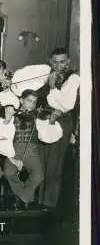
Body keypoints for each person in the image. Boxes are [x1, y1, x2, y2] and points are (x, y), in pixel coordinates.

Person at [0, 89, 63, 210]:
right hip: (12, 150)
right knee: (8, 172)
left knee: (38, 176)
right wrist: (7, 119)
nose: (32, 105)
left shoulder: (39, 118)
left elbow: (46, 138)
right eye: (29, 101)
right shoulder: (11, 114)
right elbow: (1, 136)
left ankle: (21, 198)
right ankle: (24, 197)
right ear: (21, 100)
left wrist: (52, 121)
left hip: (31, 152)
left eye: (34, 102)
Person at [37, 48, 80, 212]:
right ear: (50, 60)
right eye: (54, 61)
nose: (58, 65)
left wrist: (53, 87)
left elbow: (66, 104)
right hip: (44, 118)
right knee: (41, 159)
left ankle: (49, 202)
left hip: (62, 120)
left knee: (54, 163)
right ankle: (38, 198)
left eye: (62, 62)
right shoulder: (47, 73)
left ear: (68, 61)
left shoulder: (74, 77)